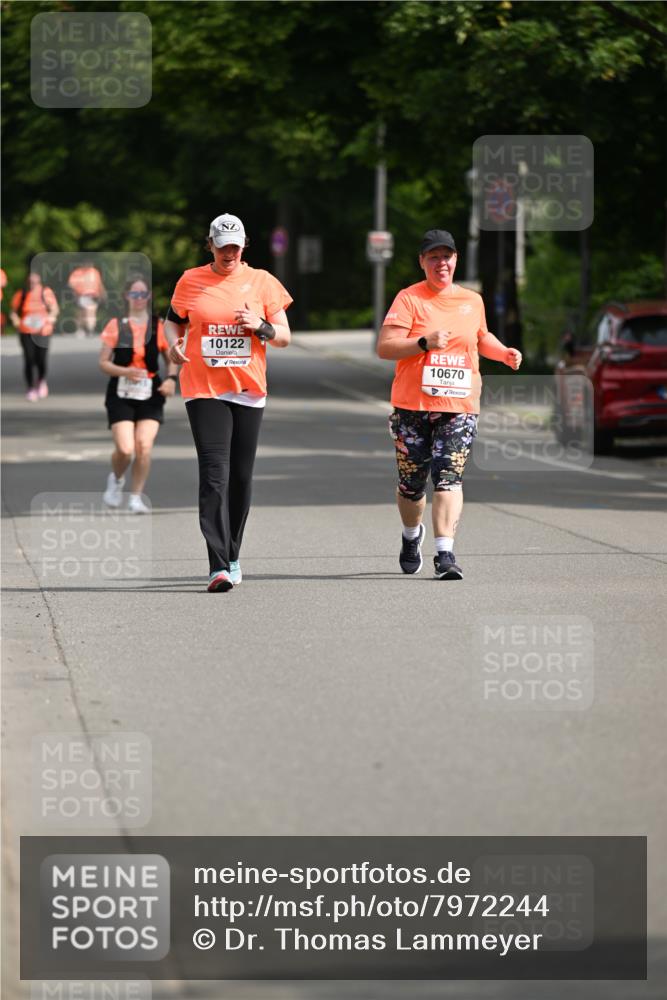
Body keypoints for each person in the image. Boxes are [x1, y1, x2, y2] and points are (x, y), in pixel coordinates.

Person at [377, 229, 522, 580]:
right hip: (412, 405)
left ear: (456, 259)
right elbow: (386, 347)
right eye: (434, 257)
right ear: (423, 262)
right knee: (411, 485)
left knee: (448, 477)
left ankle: (445, 553)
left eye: (447, 256)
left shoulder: (472, 301)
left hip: (459, 404)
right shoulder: (409, 299)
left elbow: (481, 336)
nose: (441, 263)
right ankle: (412, 536)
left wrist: (502, 352)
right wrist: (423, 342)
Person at [165, 213, 293, 592]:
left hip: (248, 390)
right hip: (204, 388)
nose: (229, 253)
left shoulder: (262, 282)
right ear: (211, 246)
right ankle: (217, 565)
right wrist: (173, 343)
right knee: (214, 473)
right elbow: (173, 320)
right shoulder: (191, 280)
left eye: (235, 246)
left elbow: (284, 336)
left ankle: (233, 552)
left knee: (240, 478)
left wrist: (262, 326)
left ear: (244, 245)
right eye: (222, 247)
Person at [99, 274, 178, 514]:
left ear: (149, 296)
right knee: (125, 449)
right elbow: (103, 362)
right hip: (121, 391)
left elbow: (171, 359)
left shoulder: (158, 325)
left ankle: (135, 497)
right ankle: (116, 479)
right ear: (126, 296)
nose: (139, 298)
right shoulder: (116, 325)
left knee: (143, 445)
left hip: (151, 392)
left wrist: (171, 379)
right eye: (134, 293)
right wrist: (125, 370)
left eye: (143, 293)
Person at [10, 267, 59, 401]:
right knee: (29, 359)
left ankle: (41, 380)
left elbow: (54, 309)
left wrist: (51, 317)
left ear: (39, 279)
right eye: (30, 278)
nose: (32, 281)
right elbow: (14, 312)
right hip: (26, 331)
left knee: (41, 359)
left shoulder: (45, 292)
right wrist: (16, 321)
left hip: (43, 331)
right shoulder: (22, 294)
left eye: (35, 278)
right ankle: (31, 387)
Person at [68, 259, 106, 336]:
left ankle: (90, 329)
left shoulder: (94, 272)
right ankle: (80, 329)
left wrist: (103, 293)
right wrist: (75, 294)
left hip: (93, 295)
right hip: (81, 295)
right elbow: (71, 285)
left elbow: (99, 284)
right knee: (81, 314)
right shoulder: (77, 273)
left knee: (91, 313)